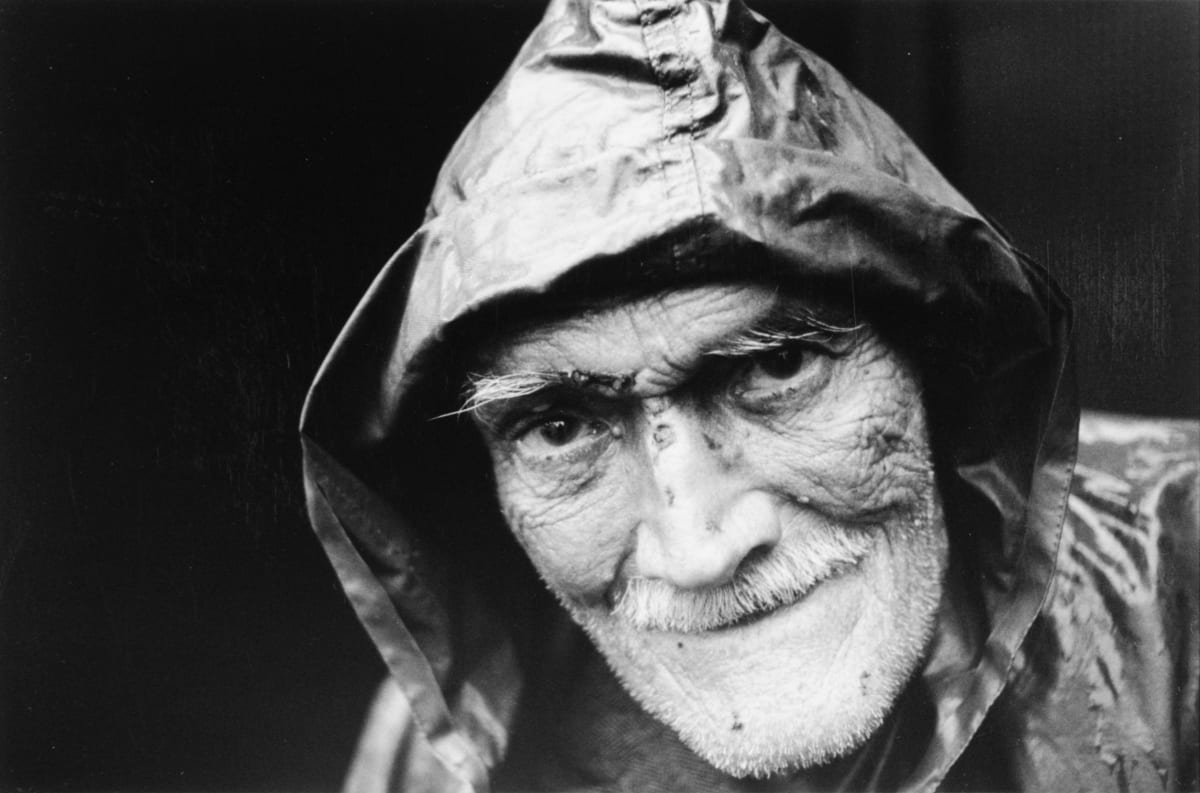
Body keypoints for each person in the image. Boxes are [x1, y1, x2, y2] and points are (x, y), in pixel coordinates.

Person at [299, 0, 1199, 790]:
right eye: (561, 426)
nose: (699, 548)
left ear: (941, 360)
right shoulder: (465, 730)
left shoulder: (1178, 581)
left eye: (773, 370)